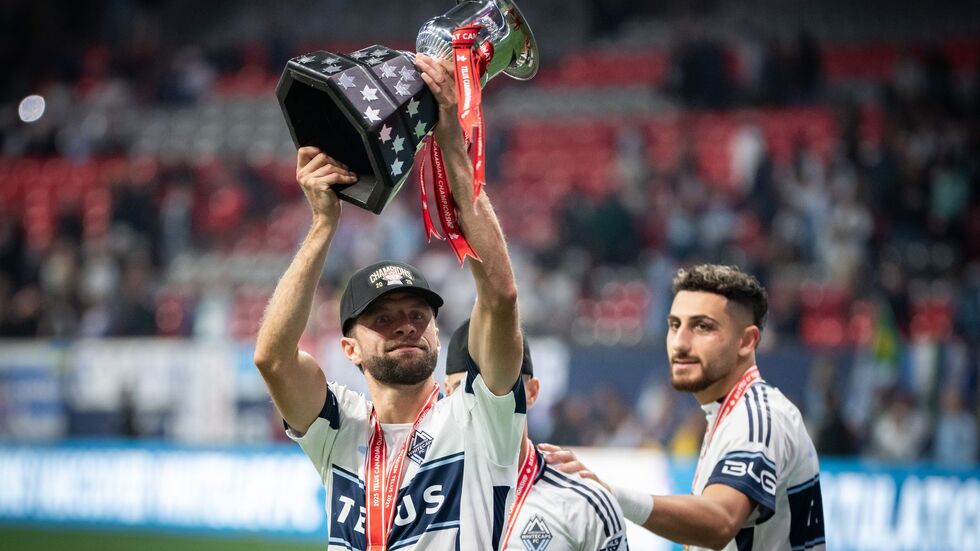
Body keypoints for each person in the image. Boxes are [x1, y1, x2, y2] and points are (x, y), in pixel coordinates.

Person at [253, 54, 526, 551]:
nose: (405, 326)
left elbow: (502, 295)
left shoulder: (478, 414)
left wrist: (451, 147)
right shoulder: (340, 425)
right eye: (382, 319)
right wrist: (322, 226)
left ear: (438, 332)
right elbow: (272, 359)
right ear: (349, 349)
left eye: (418, 315)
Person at [541, 264, 825, 551]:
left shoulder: (757, 416)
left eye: (702, 327)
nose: (680, 343)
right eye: (675, 325)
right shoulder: (728, 414)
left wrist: (611, 494)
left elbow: (720, 522)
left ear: (746, 341)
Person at [443, 319, 629, 551]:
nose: (486, 403)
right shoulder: (417, 498)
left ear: (532, 392)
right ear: (447, 395)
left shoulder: (584, 505)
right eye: (465, 389)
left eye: (502, 387)